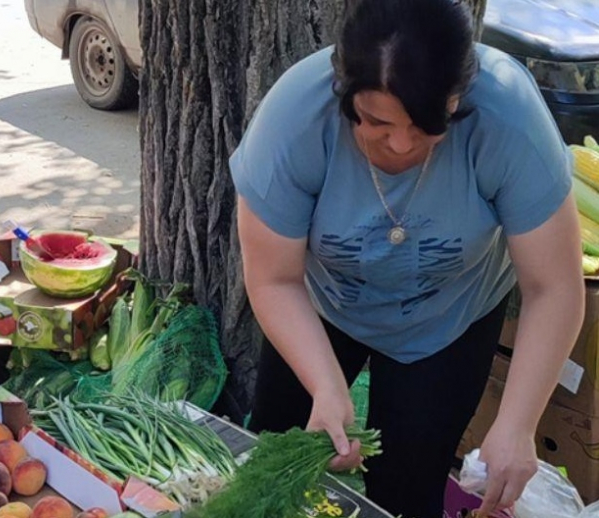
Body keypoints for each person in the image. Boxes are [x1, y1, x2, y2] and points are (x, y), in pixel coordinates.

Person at [230, 0, 585, 517]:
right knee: (276, 460)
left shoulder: (509, 118)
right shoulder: (294, 119)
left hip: (450, 317)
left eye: (427, 127)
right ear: (343, 91)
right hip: (321, 306)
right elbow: (274, 279)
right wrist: (326, 387)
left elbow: (554, 286)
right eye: (375, 122)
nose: (400, 145)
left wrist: (517, 425)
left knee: (406, 490)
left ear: (458, 98)